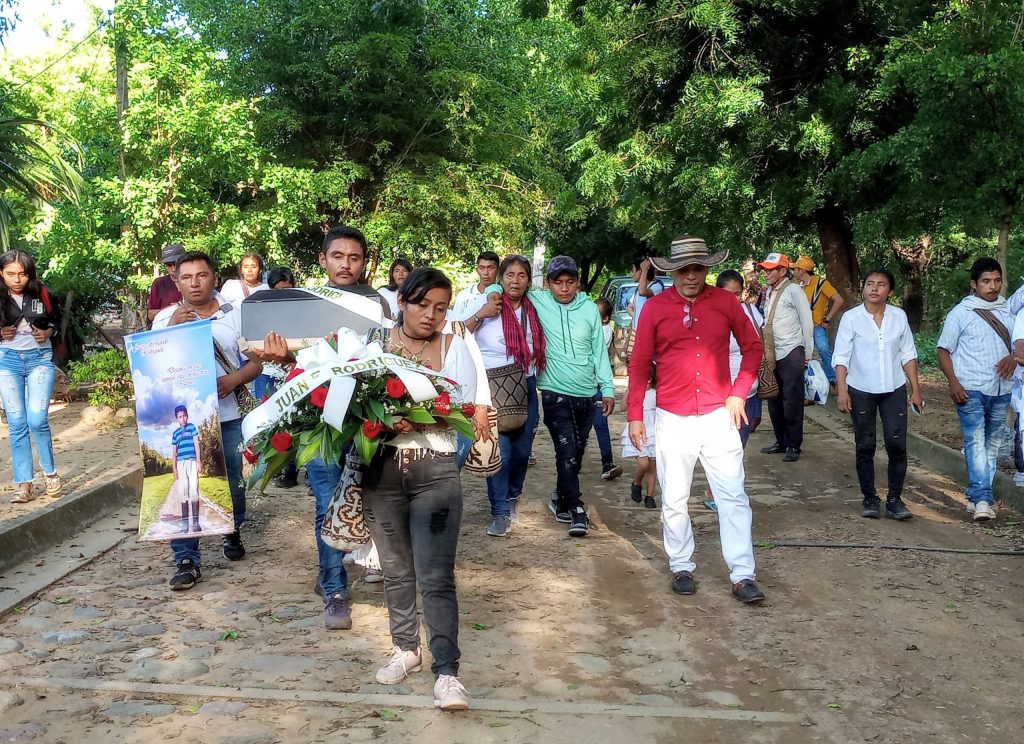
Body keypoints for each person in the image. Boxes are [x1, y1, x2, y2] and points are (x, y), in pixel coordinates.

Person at [628, 236, 765, 604]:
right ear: (672, 271)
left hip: (720, 414)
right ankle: (681, 565)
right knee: (674, 497)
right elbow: (639, 363)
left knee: (732, 495)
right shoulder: (655, 308)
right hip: (673, 416)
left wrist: (739, 391)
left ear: (708, 269)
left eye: (698, 268)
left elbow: (753, 348)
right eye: (684, 269)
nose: (691, 276)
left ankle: (742, 574)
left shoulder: (726, 302)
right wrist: (636, 414)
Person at [363, 267, 475, 711]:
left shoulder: (453, 347)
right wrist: (381, 421)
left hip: (435, 469)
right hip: (382, 472)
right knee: (395, 570)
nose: (431, 315)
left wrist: (421, 418)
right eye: (423, 304)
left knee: (436, 575)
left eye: (442, 308)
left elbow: (465, 408)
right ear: (403, 302)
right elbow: (352, 402)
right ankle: (405, 649)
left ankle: (447, 672)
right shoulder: (374, 346)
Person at [152, 251, 289, 590]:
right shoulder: (164, 319)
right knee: (186, 485)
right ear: (176, 281)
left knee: (230, 480)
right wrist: (171, 331)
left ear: (214, 278)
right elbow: (151, 364)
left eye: (201, 275)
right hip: (185, 419)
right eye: (187, 277)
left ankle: (231, 526)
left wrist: (235, 380)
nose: (194, 283)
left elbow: (257, 361)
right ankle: (186, 557)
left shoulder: (236, 315)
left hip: (227, 415)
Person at [531, 256, 614, 537]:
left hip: (587, 394)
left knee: (576, 452)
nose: (564, 288)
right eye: (558, 282)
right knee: (565, 451)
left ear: (578, 283)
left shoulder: (589, 309)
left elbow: (599, 352)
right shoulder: (538, 302)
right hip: (554, 392)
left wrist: (608, 388)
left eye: (569, 282)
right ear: (548, 284)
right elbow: (505, 288)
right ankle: (577, 509)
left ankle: (560, 498)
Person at [463, 255, 546, 536]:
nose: (515, 280)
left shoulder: (535, 310)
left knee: (523, 451)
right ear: (500, 278)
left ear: (528, 281)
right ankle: (499, 511)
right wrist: (481, 313)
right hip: (491, 387)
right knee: (502, 451)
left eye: (521, 275)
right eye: (509, 275)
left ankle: (512, 496)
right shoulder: (488, 304)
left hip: (525, 384)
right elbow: (459, 334)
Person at [833, 269, 923, 520]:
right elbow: (841, 356)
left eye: (881, 284)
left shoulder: (898, 316)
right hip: (861, 389)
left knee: (897, 443)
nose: (874, 288)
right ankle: (870, 498)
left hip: (893, 388)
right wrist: (842, 390)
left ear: (889, 291)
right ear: (864, 289)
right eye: (870, 284)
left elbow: (908, 353)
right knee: (865, 445)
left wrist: (915, 389)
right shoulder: (851, 318)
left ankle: (895, 499)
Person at [937, 257, 1017, 521]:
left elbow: (1020, 346)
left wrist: (1014, 358)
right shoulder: (961, 313)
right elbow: (943, 350)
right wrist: (953, 382)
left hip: (1002, 388)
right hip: (970, 388)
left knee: (992, 445)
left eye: (996, 280)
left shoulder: (1010, 312)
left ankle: (975, 496)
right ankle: (983, 499)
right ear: (974, 284)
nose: (992, 286)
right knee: (975, 441)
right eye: (986, 281)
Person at [0, 250, 62, 503]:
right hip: (7, 361)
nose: (17, 280)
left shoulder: (41, 292)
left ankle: (50, 474)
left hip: (39, 360)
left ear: (30, 274)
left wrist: (47, 333)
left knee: (37, 420)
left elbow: (55, 322)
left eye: (22, 274)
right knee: (16, 423)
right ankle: (23, 483)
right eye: (10, 274)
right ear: (1, 274)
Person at [704, 270, 764, 513]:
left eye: (737, 294)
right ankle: (715, 493)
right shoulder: (708, 315)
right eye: (729, 293)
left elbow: (758, 347)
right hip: (719, 392)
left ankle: (728, 492)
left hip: (748, 390)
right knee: (719, 448)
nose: (733, 299)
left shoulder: (750, 312)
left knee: (739, 445)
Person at [756, 252, 813, 462]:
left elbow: (807, 322)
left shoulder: (794, 291)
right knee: (774, 398)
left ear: (783, 271)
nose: (766, 273)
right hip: (772, 351)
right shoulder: (769, 291)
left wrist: (807, 352)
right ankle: (780, 441)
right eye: (765, 270)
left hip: (791, 350)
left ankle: (793, 445)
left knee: (792, 400)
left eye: (771, 270)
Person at [792, 256, 844, 389]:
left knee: (824, 350)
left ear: (801, 270)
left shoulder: (821, 284)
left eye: (795, 269)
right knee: (801, 355)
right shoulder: (797, 287)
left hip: (816, 327)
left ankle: (833, 382)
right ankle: (806, 384)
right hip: (800, 328)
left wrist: (827, 319)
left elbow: (839, 300)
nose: (793, 272)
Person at [593, 298, 622, 481]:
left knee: (597, 424)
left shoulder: (602, 332)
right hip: (593, 385)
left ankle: (607, 462)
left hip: (595, 385)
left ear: (604, 318)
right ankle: (606, 462)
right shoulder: (605, 329)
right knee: (596, 426)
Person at [622, 366, 657, 509]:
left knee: (653, 466)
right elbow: (623, 407)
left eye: (650, 378)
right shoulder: (634, 390)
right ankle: (637, 483)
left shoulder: (657, 392)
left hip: (653, 431)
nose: (647, 381)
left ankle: (650, 496)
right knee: (644, 464)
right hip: (637, 430)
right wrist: (630, 388)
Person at [171, 404, 202, 533]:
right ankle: (185, 524)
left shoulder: (192, 428)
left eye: (184, 416)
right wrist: (174, 468)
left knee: (194, 489)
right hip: (181, 463)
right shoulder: (175, 434)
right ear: (176, 419)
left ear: (187, 416)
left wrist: (199, 461)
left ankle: (195, 523)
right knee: (183, 491)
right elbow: (174, 452)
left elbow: (196, 445)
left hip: (192, 461)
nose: (183, 419)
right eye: (180, 417)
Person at [452, 251, 499, 319]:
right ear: (477, 270)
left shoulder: (501, 295)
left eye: (490, 268)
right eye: (482, 268)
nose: (486, 273)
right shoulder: (464, 296)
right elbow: (455, 322)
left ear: (498, 270)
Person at [147, 243, 185, 323]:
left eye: (176, 263)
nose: (174, 268)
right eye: (169, 265)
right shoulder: (159, 284)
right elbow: (150, 315)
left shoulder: (195, 281)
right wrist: (172, 310)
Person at [627, 257, 666, 331]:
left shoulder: (656, 286)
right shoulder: (638, 289)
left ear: (639, 272)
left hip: (648, 332)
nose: (632, 274)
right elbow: (631, 307)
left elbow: (643, 292)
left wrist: (644, 269)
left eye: (633, 271)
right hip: (637, 331)